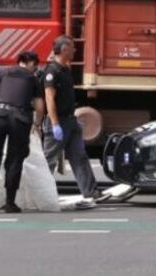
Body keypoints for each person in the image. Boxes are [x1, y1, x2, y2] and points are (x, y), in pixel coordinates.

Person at [42, 35, 107, 204]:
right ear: (64, 50)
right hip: (59, 122)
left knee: (80, 157)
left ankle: (91, 192)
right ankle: (39, 193)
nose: (75, 50)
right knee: (49, 160)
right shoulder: (52, 72)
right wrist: (55, 124)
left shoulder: (64, 69)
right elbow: (49, 99)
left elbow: (55, 53)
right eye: (72, 47)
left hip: (70, 121)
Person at [0, 51, 44, 213]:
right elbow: (40, 106)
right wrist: (37, 123)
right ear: (27, 62)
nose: (35, 69)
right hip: (20, 119)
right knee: (15, 159)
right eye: (34, 65)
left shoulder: (3, 72)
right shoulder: (33, 79)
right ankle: (9, 202)